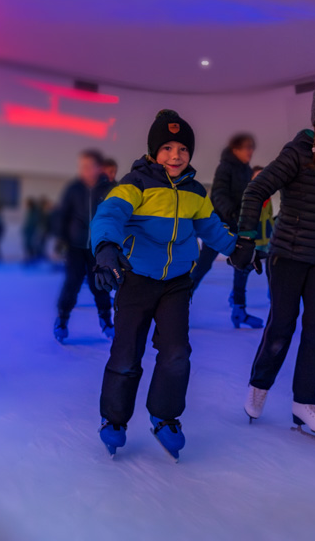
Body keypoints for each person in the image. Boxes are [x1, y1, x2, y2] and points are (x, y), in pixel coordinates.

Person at [91, 109, 244, 460]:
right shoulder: (135, 183)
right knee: (126, 353)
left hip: (176, 283)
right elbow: (109, 214)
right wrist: (106, 248)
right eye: (167, 148)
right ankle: (113, 418)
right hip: (136, 279)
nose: (175, 156)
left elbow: (211, 228)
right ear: (153, 152)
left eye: (183, 150)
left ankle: (164, 416)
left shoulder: (194, 192)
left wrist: (238, 250)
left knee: (177, 353)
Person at [233, 73, 315, 440]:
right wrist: (246, 238)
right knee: (282, 327)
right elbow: (255, 192)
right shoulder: (297, 154)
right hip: (287, 255)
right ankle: (260, 385)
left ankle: (306, 401)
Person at [190, 132, 263, 329]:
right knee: (204, 264)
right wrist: (232, 213)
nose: (250, 151)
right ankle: (179, 304)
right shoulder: (225, 168)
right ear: (235, 149)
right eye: (247, 147)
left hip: (238, 226)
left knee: (243, 266)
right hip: (220, 227)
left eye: (252, 147)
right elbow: (219, 194)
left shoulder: (246, 170)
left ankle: (239, 310)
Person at [53, 149, 115, 342]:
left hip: (99, 247)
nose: (84, 170)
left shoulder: (110, 189)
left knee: (101, 285)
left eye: (88, 166)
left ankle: (106, 320)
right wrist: (61, 240)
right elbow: (62, 215)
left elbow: (118, 217)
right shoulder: (74, 188)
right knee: (72, 283)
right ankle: (62, 319)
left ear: (98, 168)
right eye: (82, 166)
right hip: (75, 246)